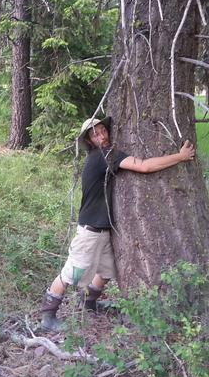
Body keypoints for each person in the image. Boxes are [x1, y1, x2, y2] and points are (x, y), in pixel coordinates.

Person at [39, 116, 196, 331]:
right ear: (89, 140)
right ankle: (48, 316)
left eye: (103, 130)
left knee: (107, 271)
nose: (102, 136)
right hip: (89, 233)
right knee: (71, 274)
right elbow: (144, 166)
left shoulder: (103, 155)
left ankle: (89, 303)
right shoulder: (103, 156)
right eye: (95, 134)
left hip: (102, 231)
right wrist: (180, 156)